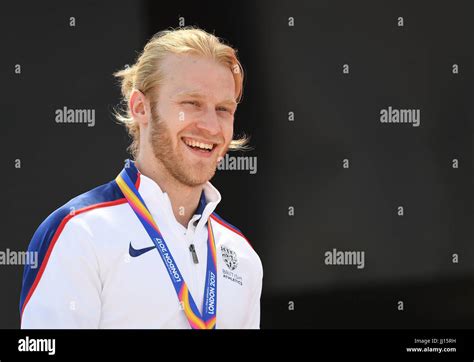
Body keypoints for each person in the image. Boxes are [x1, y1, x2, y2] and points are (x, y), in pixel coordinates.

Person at [19, 27, 263, 329]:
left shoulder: (241, 255)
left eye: (223, 109)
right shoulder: (80, 233)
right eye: (192, 104)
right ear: (140, 107)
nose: (211, 127)